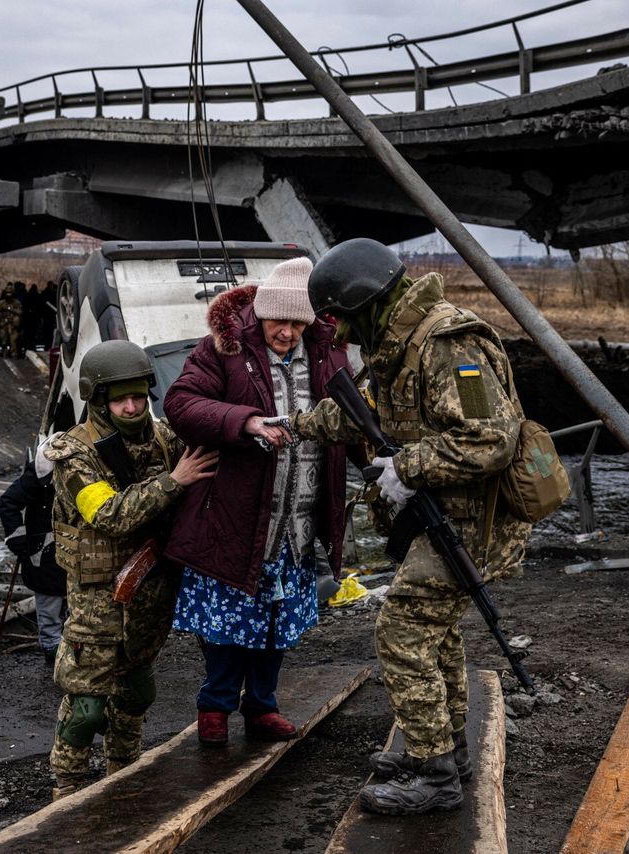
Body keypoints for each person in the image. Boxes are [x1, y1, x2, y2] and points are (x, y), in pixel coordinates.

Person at [288, 238, 530, 816]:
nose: (340, 335)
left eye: (342, 319)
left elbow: (492, 438)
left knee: (400, 632)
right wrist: (290, 424)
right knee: (435, 634)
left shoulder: (450, 344)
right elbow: (362, 410)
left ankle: (436, 775)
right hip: (446, 514)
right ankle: (445, 753)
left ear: (365, 302)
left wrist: (406, 466)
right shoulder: (399, 344)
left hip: (475, 521)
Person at [164, 257, 352, 747]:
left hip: (299, 521)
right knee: (229, 622)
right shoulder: (223, 349)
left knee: (278, 621)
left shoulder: (329, 353)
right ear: (261, 314)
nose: (287, 332)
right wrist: (245, 422)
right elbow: (181, 403)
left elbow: (350, 414)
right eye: (278, 321)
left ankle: (262, 705)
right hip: (236, 515)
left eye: (297, 322)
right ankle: (216, 707)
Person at [43, 340, 218, 799]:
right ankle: (67, 790)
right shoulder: (73, 455)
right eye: (120, 398)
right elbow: (108, 515)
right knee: (85, 707)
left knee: (137, 694)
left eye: (139, 396)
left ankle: (124, 775)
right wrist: (173, 481)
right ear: (98, 399)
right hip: (98, 600)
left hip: (150, 594)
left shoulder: (163, 438)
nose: (132, 406)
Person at [0, 433, 68, 665]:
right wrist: (18, 540)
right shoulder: (40, 471)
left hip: (75, 551)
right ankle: (53, 654)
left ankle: (69, 655)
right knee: (49, 609)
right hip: (44, 553)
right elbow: (9, 502)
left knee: (72, 608)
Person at [0, 284, 23, 358]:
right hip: (4, 323)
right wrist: (0, 309)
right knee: (4, 341)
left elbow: (20, 312)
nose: (8, 295)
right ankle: (5, 354)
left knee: (13, 341)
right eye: (7, 293)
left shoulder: (16, 302)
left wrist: (11, 309)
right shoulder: (2, 302)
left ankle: (14, 355)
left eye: (10, 293)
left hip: (12, 325)